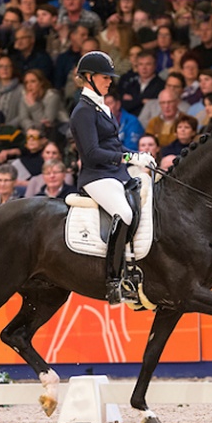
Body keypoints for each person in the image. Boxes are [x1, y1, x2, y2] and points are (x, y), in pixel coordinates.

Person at [69, 50, 156, 305]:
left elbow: (115, 147)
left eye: (109, 77)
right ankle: (113, 280)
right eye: (104, 77)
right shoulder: (83, 111)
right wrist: (129, 160)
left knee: (150, 190)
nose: (109, 81)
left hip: (113, 171)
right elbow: (93, 153)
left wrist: (138, 156)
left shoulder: (102, 107)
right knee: (125, 213)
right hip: (96, 176)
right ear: (88, 77)